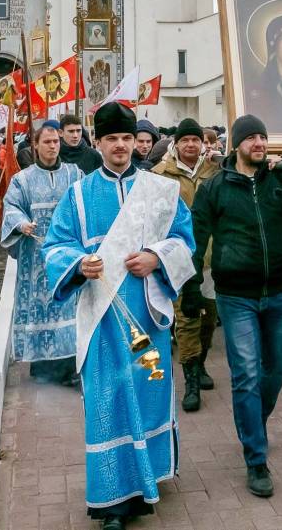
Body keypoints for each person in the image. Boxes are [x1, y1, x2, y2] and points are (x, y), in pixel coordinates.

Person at [42, 102, 195, 530]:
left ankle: (150, 475)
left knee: (147, 395)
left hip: (147, 320)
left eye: (127, 138)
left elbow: (186, 241)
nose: (121, 146)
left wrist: (155, 256)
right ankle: (111, 501)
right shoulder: (78, 195)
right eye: (112, 139)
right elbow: (55, 246)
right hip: (102, 323)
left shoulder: (160, 192)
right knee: (106, 402)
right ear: (99, 142)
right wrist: (77, 264)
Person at [184, 114, 282, 497]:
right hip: (236, 295)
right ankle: (256, 458)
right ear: (236, 144)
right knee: (245, 374)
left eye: (263, 136)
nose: (259, 143)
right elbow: (196, 238)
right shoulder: (215, 188)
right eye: (251, 137)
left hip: (280, 292)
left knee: (276, 369)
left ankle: (252, 423)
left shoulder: (280, 180)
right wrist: (191, 287)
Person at [0, 121, 82, 385]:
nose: (53, 146)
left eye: (56, 141)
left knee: (67, 306)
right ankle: (42, 367)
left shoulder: (74, 174)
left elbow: (85, 203)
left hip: (67, 254)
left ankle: (68, 368)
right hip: (36, 258)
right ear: (35, 146)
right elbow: (10, 205)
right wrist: (21, 223)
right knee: (41, 308)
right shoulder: (22, 179)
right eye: (47, 142)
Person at [152, 118, 221, 410]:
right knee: (187, 319)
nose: (191, 145)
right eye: (185, 140)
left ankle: (201, 363)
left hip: (211, 259)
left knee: (209, 318)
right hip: (178, 260)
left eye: (195, 140)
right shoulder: (160, 175)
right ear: (176, 144)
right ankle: (191, 381)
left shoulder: (216, 172)